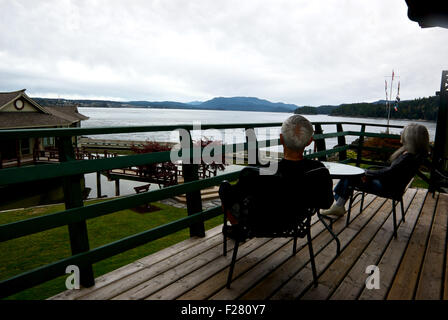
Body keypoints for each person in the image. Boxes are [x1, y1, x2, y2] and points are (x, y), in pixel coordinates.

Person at [220, 114, 334, 232]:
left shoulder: (258, 172)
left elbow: (233, 196)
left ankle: (237, 227)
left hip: (257, 223)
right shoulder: (319, 170)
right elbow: (326, 203)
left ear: (281, 139)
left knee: (224, 188)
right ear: (310, 141)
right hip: (294, 222)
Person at [321, 123, 430, 217]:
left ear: (410, 138)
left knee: (351, 176)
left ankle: (338, 205)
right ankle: (338, 204)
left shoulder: (408, 158)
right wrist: (367, 173)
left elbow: (389, 173)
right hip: (391, 184)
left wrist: (367, 173)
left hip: (387, 187)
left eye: (403, 132)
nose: (401, 134)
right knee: (353, 174)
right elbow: (391, 172)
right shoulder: (414, 155)